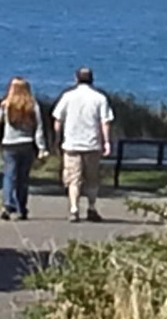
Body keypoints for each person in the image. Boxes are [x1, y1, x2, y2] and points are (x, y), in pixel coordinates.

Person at [52, 66, 114, 222]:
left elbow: (58, 120)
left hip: (71, 144)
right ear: (92, 79)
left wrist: (57, 138)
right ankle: (91, 207)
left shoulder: (67, 96)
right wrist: (106, 141)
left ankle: (74, 208)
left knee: (73, 179)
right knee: (92, 179)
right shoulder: (100, 98)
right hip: (92, 144)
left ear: (76, 79)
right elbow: (105, 122)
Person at [0, 76, 48, 220]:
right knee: (22, 178)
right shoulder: (32, 105)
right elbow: (39, 128)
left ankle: (7, 204)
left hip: (9, 144)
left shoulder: (6, 104)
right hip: (26, 144)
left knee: (9, 175)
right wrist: (41, 147)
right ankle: (21, 208)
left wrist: (2, 108)